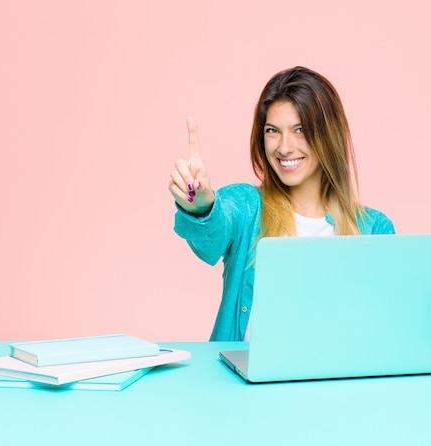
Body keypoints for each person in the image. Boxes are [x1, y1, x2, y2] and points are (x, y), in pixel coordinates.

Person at [169, 66, 395, 341]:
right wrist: (201, 206)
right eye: (273, 130)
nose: (284, 147)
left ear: (328, 134)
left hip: (333, 382)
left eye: (300, 130)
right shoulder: (248, 206)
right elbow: (213, 236)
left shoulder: (374, 229)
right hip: (242, 382)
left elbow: (383, 327)